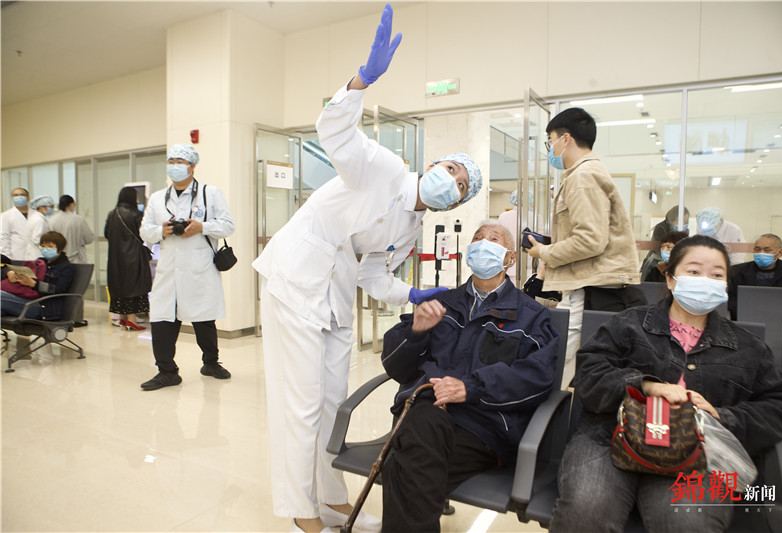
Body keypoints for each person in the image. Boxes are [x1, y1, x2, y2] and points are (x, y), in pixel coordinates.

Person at [252, 6, 482, 532]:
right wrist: (361, 80)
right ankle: (300, 510)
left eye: (462, 186)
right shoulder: (386, 169)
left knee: (332, 404)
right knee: (302, 405)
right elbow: (334, 131)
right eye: (449, 169)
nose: (451, 181)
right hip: (297, 278)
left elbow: (372, 278)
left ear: (456, 206)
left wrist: (415, 295)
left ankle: (332, 499)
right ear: (431, 164)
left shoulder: (409, 230)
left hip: (333, 294)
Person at [548, 235, 782, 532]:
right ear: (670, 279)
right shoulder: (628, 323)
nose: (705, 280)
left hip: (695, 450)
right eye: (693, 271)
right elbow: (590, 373)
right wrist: (646, 386)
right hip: (608, 437)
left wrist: (721, 416)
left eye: (716, 275)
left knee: (687, 521)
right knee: (587, 511)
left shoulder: (747, 347)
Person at [380, 221, 558, 532]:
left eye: (494, 238)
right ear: (468, 252)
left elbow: (537, 377)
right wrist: (415, 332)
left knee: (403, 463)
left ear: (511, 258)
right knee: (421, 432)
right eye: (478, 238)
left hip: (484, 428)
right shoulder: (441, 304)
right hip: (428, 410)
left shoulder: (532, 316)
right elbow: (396, 366)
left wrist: (472, 388)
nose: (483, 243)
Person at [524, 107, 643, 386]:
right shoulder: (585, 174)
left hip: (592, 288)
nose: (549, 148)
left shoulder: (582, 176)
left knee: (561, 369)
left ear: (565, 139)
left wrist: (544, 252)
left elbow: (590, 240)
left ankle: (553, 423)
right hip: (589, 284)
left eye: (549, 140)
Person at [139, 144, 235, 391]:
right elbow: (144, 230)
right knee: (162, 320)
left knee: (204, 320)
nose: (174, 166)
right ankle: (167, 371)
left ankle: (211, 363)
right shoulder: (158, 198)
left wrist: (201, 226)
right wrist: (161, 230)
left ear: (192, 166)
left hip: (199, 267)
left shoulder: (210, 193)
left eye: (180, 161)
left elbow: (227, 225)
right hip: (168, 269)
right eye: (171, 161)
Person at [105, 187, 152, 332]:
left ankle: (123, 318)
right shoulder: (135, 214)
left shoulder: (112, 214)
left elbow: (107, 234)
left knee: (119, 285)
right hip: (133, 256)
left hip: (115, 257)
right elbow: (144, 234)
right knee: (133, 286)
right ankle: (132, 320)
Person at [1, 231, 74, 319]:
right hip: (24, 299)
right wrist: (9, 272)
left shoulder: (65, 267)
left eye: (50, 246)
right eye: (43, 246)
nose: (45, 249)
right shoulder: (39, 263)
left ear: (60, 248)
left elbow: (59, 289)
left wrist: (34, 284)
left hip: (43, 307)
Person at [728, 233, 782, 320]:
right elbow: (731, 301)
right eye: (757, 249)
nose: (761, 253)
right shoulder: (736, 272)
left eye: (767, 250)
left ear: (780, 253)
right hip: (746, 320)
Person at [50, 194, 95, 327]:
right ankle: (76, 318)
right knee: (77, 290)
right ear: (71, 205)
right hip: (76, 260)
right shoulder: (78, 219)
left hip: (57, 259)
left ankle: (58, 315)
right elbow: (89, 238)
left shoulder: (52, 220)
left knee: (58, 289)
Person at [1, 188, 30, 260]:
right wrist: (6, 257)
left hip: (35, 255)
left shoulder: (36, 214)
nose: (19, 197)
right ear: (12, 198)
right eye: (16, 195)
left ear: (28, 198)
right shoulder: (6, 215)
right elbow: (3, 237)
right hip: (16, 255)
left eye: (22, 195)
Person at [24, 195, 55, 261]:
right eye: (51, 207)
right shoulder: (39, 220)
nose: (52, 209)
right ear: (41, 207)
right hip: (37, 255)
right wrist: (49, 246)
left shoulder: (34, 217)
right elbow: (36, 240)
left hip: (32, 254)